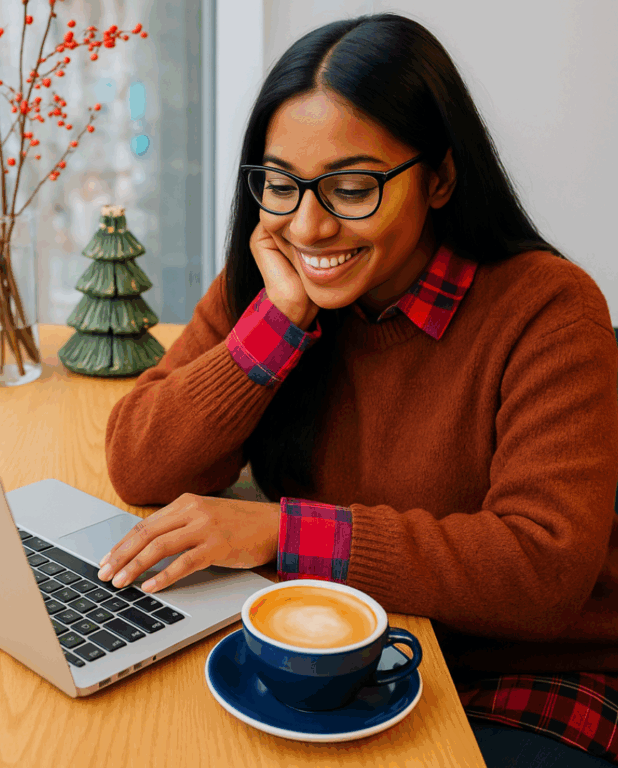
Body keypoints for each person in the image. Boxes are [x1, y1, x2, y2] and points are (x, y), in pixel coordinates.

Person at [97, 13, 618, 768]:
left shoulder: (549, 308)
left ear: (439, 177)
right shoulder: (277, 281)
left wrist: (283, 532)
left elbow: (542, 568)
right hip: (337, 651)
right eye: (281, 185)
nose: (309, 225)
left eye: (351, 187)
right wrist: (278, 319)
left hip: (521, 676)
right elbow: (140, 464)